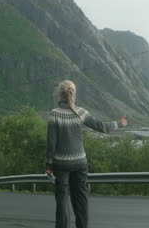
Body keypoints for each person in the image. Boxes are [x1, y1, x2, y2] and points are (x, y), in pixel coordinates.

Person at [46, 80, 127, 228]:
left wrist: (48, 165)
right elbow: (102, 127)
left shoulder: (53, 114)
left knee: (62, 202)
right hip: (80, 164)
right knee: (81, 202)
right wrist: (119, 123)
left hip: (60, 165)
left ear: (59, 94)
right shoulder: (81, 112)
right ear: (73, 94)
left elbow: (51, 143)